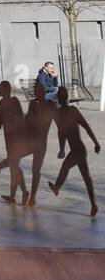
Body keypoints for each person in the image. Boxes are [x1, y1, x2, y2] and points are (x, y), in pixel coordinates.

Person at [48, 86, 100, 216]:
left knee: (67, 168)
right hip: (78, 149)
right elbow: (63, 133)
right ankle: (93, 205)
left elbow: (66, 132)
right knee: (85, 177)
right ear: (66, 98)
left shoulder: (67, 112)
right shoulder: (64, 112)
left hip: (78, 150)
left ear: (59, 99)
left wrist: (96, 143)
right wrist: (62, 149)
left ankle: (57, 188)